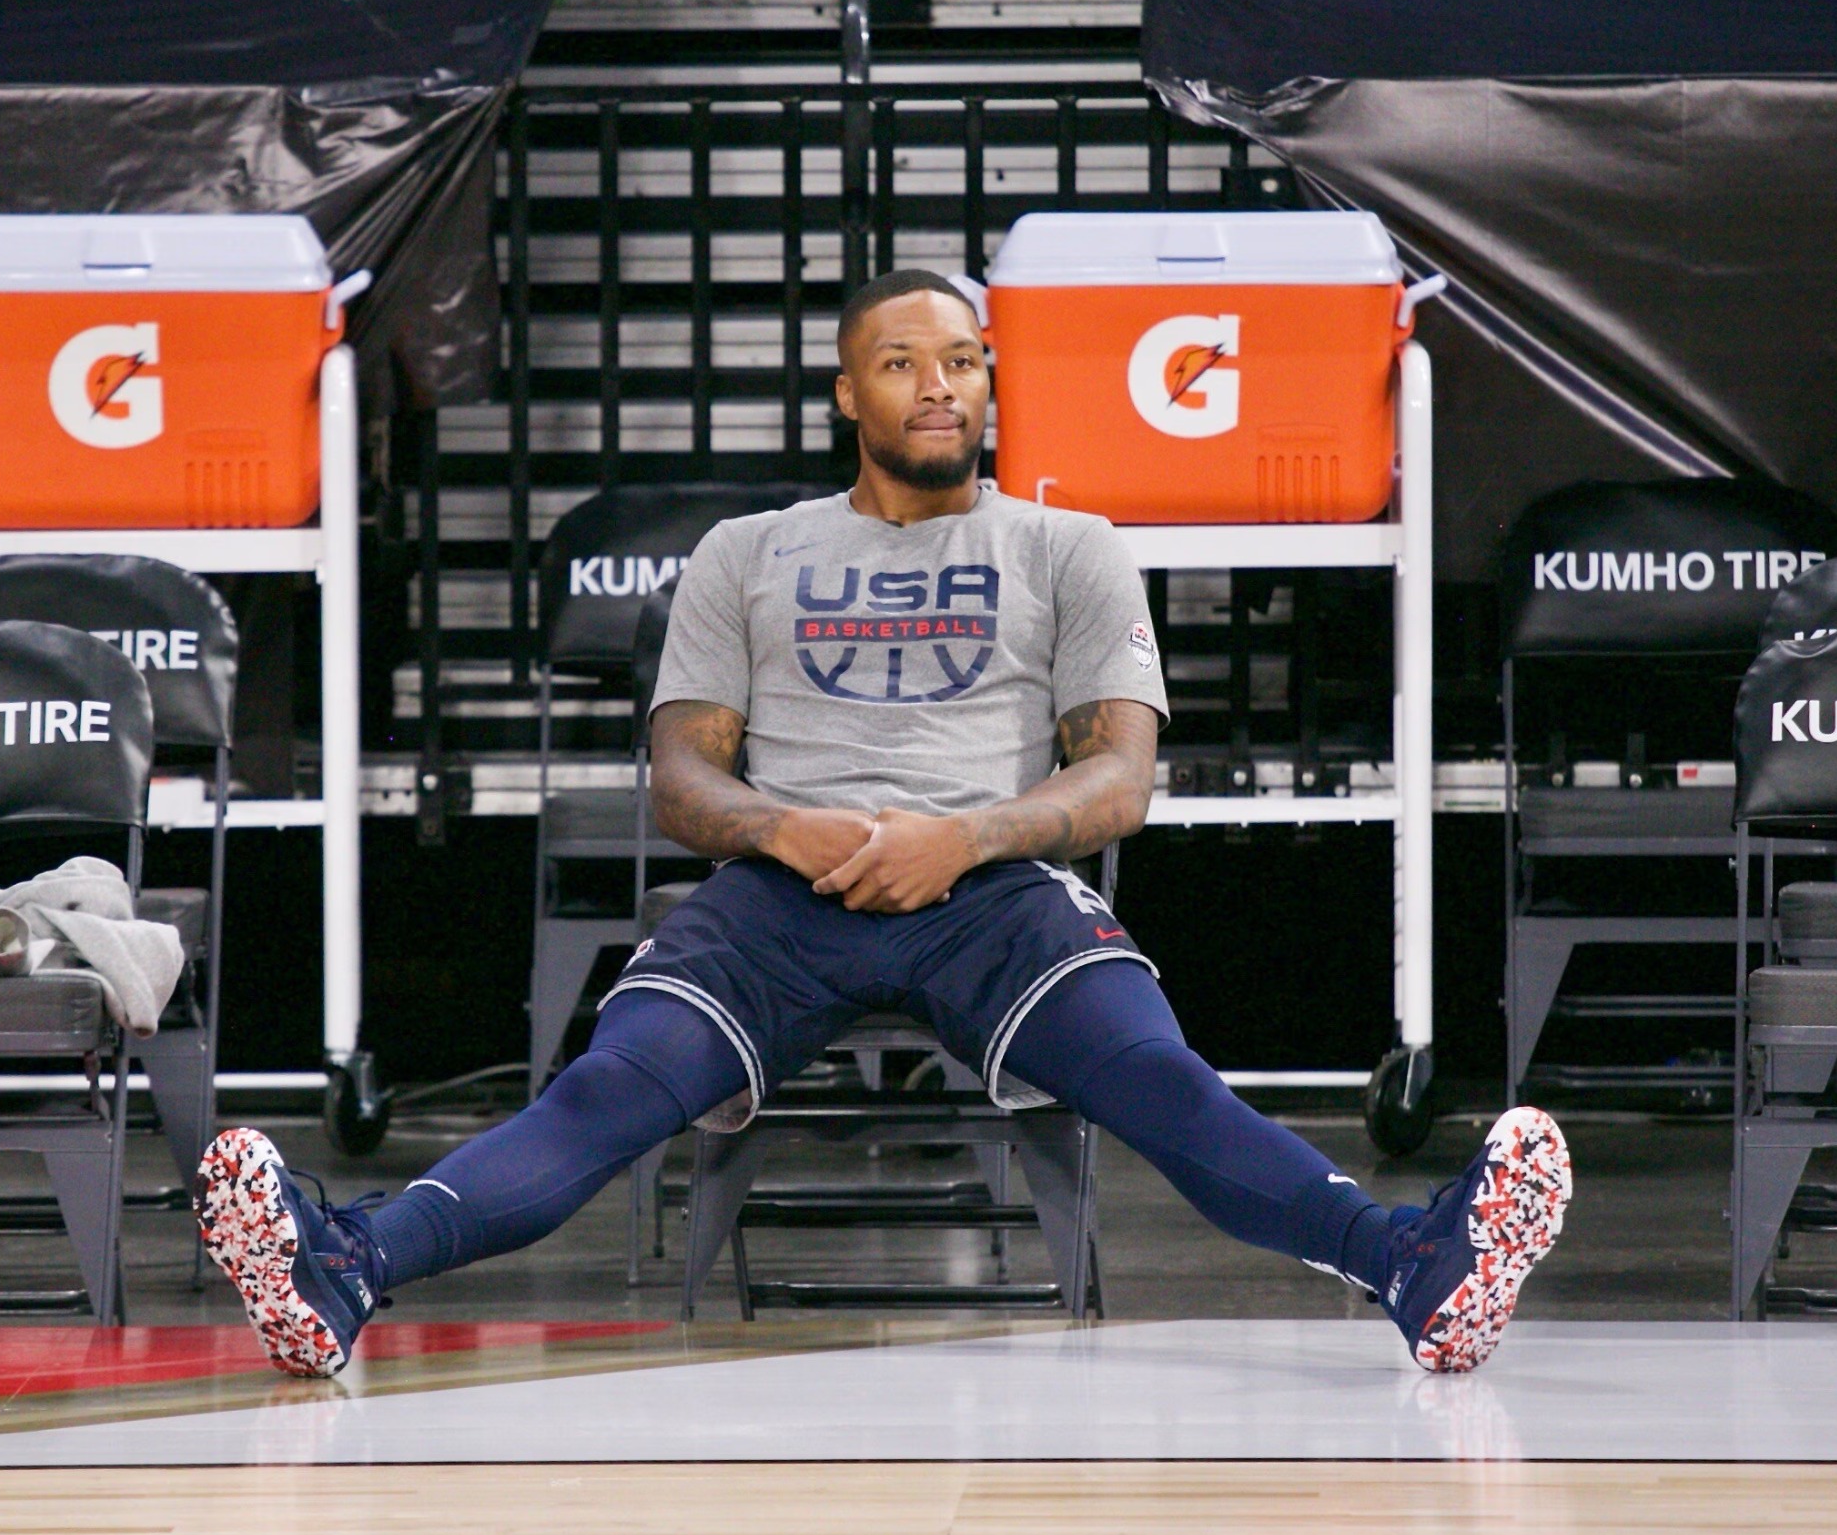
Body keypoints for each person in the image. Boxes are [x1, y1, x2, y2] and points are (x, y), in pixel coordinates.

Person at [196, 269, 1571, 1378]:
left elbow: (1120, 782)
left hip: (996, 893)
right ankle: (344, 1266)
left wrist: (963, 838)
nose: (943, 384)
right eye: (907, 361)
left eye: (966, 359)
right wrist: (780, 828)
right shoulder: (749, 553)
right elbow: (683, 776)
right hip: (783, 899)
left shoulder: (1069, 547)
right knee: (607, 1092)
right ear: (849, 391)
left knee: (1160, 1076)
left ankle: (1415, 1265)